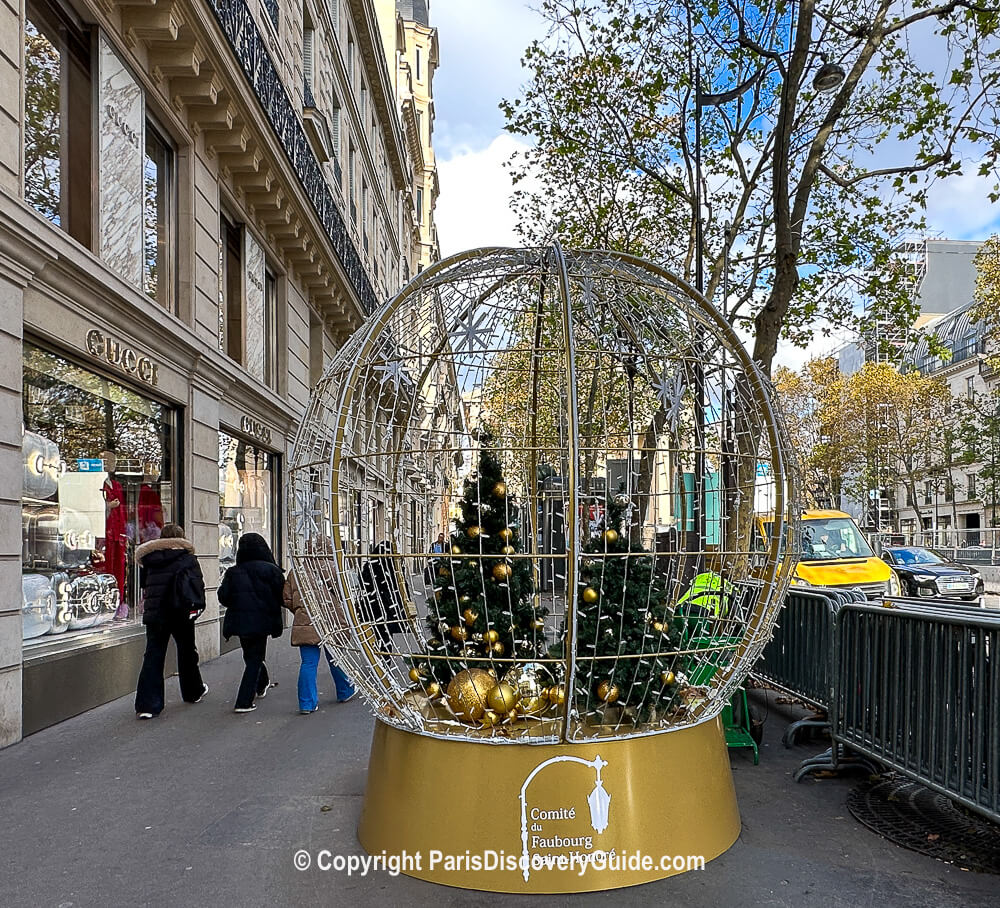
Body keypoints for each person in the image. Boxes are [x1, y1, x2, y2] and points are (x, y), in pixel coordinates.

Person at [133, 523, 207, 719]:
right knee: (187, 653)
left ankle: (148, 705)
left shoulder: (149, 559)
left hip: (155, 613)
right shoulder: (187, 558)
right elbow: (197, 584)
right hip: (180, 612)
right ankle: (193, 691)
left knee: (153, 656)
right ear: (181, 538)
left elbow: (144, 586)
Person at [219, 533, 284, 713]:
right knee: (254, 658)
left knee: (251, 656)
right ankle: (244, 701)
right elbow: (282, 597)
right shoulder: (272, 570)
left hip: (240, 621)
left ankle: (261, 683)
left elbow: (223, 597)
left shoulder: (233, 572)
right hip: (263, 620)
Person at [282, 569, 355, 714]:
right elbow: (346, 595)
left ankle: (307, 703)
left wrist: (300, 610)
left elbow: (287, 598)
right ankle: (345, 691)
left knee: (308, 663)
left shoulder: (297, 569)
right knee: (335, 658)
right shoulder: (334, 566)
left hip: (305, 620)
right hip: (331, 620)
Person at [361, 541, 407, 656]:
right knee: (386, 634)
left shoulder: (370, 565)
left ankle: (375, 657)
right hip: (389, 605)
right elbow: (402, 585)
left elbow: (363, 584)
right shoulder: (394, 565)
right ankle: (385, 659)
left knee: (374, 632)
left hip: (373, 603)